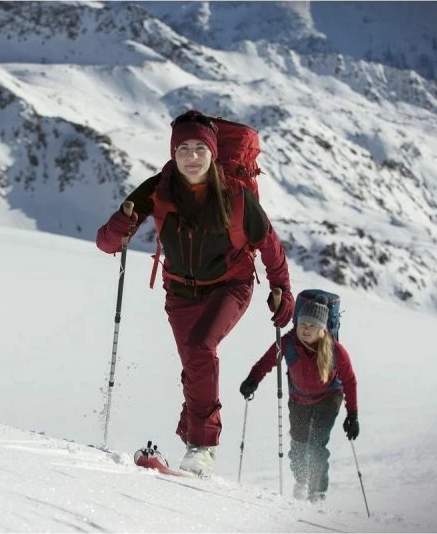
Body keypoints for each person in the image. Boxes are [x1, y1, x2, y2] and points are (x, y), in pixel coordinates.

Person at [96, 109, 295, 476]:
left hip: (231, 285)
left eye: (200, 149)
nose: (191, 157)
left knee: (201, 347)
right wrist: (122, 224)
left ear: (213, 153)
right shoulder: (158, 188)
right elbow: (106, 243)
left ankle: (202, 446)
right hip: (180, 291)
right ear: (173, 153)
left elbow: (269, 243)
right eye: (183, 149)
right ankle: (192, 437)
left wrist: (282, 287)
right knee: (194, 363)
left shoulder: (235, 195)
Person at [239, 295, 359, 502]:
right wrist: (252, 379)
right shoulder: (288, 342)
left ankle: (317, 492)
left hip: (328, 399)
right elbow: (267, 361)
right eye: (303, 324)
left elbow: (349, 380)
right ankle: (301, 481)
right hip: (298, 399)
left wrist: (353, 415)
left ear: (322, 329)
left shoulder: (334, 350)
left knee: (316, 446)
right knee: (298, 448)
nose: (306, 329)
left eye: (312, 326)